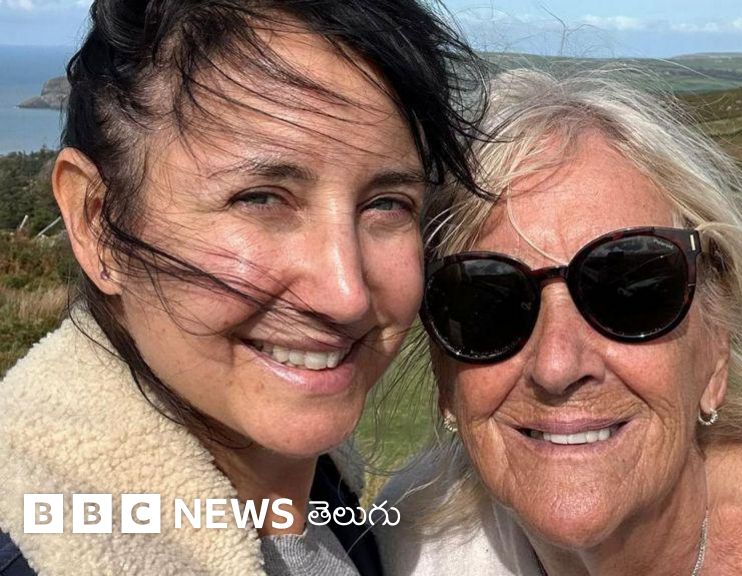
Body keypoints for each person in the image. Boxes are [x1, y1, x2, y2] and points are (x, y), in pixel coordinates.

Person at [376, 70, 742, 575]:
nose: (557, 366)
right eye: (485, 303)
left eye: (630, 290)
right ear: (443, 373)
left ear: (716, 347)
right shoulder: (407, 536)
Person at [0, 1, 484, 574]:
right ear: (96, 223)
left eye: (387, 204)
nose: (346, 294)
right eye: (260, 198)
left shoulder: (330, 501)